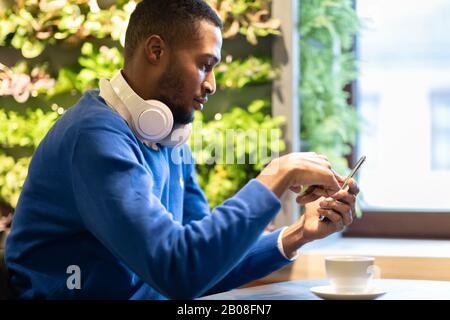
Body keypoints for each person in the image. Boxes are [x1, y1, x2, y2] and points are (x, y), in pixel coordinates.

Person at [5, 0, 359, 299]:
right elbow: (177, 268)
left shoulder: (168, 137)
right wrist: (277, 176)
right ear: (156, 51)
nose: (212, 85)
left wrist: (300, 232)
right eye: (205, 65)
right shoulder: (93, 137)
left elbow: (203, 262)